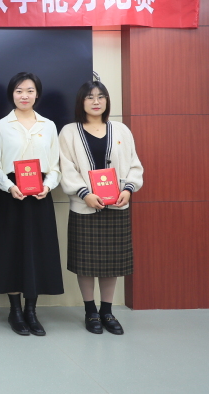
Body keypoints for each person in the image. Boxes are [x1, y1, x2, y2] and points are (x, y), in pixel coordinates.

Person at [59, 80, 143, 335]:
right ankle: (90, 311)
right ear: (81, 102)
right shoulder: (69, 132)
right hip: (85, 206)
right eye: (90, 97)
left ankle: (107, 311)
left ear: (107, 100)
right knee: (86, 263)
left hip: (116, 206)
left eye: (101, 96)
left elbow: (134, 165)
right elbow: (66, 168)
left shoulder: (121, 130)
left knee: (112, 263)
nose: (96, 102)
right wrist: (84, 194)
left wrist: (128, 189)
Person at [0, 72, 64, 336]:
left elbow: (55, 165)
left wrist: (48, 186)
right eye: (19, 91)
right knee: (12, 252)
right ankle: (15, 311)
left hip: (40, 195)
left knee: (37, 252)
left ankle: (32, 310)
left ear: (37, 94)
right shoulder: (0, 126)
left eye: (29, 91)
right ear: (12, 94)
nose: (24, 96)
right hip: (12, 195)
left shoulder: (48, 125)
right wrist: (9, 187)